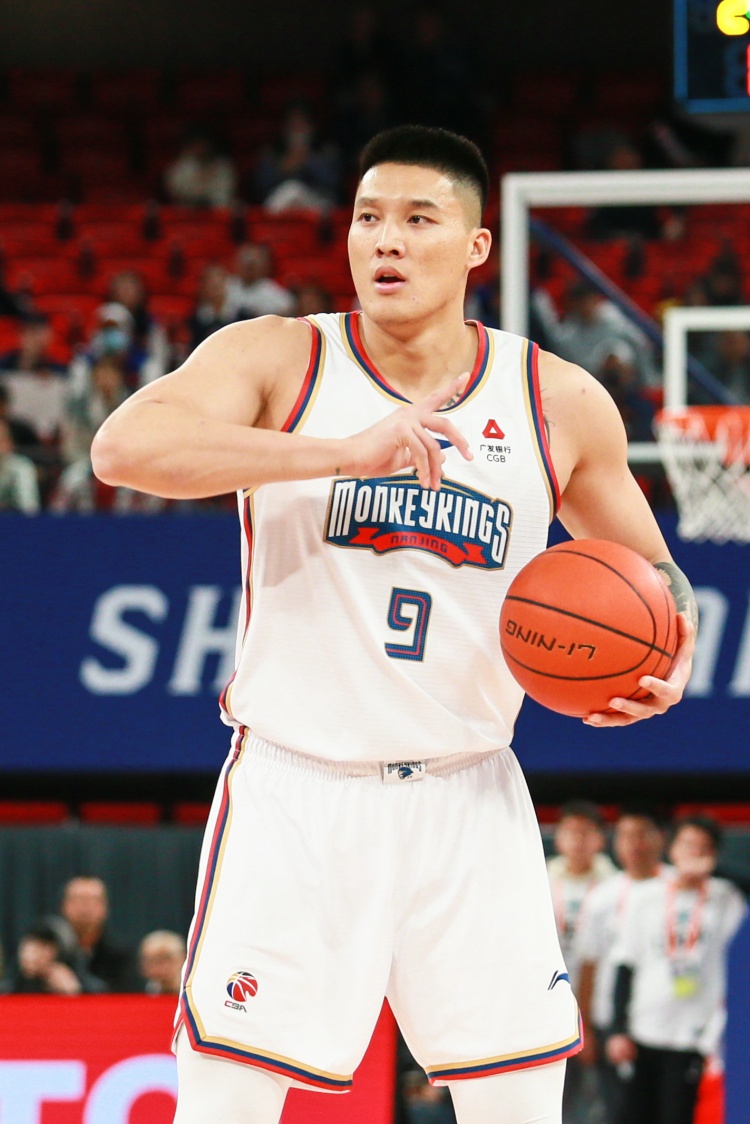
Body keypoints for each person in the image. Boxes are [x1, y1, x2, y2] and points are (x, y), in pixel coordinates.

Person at [91, 125, 697, 1124]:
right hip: (297, 791)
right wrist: (341, 453)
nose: (387, 240)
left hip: (470, 794)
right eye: (369, 217)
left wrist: (674, 648)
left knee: (520, 1108)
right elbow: (124, 448)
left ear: (476, 246)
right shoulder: (282, 357)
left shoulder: (555, 400)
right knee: (224, 1105)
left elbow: (658, 576)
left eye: (419, 219)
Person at [606, 817, 746, 1124]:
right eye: (687, 845)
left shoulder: (725, 897)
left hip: (692, 1035)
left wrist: (714, 870)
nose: (693, 854)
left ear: (713, 854)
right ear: (672, 848)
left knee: (676, 1115)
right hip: (643, 1030)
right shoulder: (646, 896)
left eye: (702, 848)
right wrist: (618, 1029)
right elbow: (624, 964)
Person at [576, 808, 672, 1122]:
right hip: (610, 1020)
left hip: (665, 1022)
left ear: (662, 838)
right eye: (626, 835)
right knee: (619, 1111)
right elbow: (588, 963)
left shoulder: (677, 887)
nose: (634, 843)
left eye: (642, 834)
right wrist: (585, 1027)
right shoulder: (602, 895)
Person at [546, 802, 616, 1122]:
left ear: (601, 839)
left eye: (586, 833)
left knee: (597, 1099)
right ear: (558, 837)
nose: (577, 840)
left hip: (599, 1007)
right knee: (553, 1094)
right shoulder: (540, 879)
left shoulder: (615, 885)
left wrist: (587, 1017)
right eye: (571, 832)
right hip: (549, 1001)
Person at [47, 875, 138, 993]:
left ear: (105, 907)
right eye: (78, 900)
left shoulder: (122, 954)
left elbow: (128, 995)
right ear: (64, 905)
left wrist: (78, 989)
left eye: (92, 900)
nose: (85, 907)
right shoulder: (50, 951)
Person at [0, 922, 104, 995]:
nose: (34, 953)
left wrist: (74, 994)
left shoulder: (88, 988)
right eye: (31, 945)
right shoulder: (12, 985)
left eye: (44, 946)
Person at [139, 930, 187, 996]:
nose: (161, 968)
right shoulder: (135, 994)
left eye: (167, 958)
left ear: (183, 959)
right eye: (154, 961)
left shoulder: (197, 993)